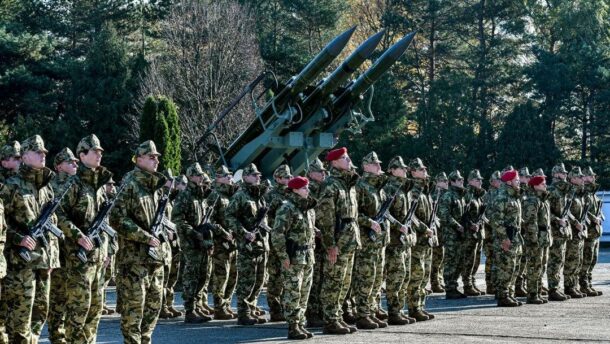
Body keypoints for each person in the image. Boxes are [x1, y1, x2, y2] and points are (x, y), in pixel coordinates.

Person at [2, 135, 61, 343]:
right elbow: (2, 225)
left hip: (43, 263)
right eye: (38, 152)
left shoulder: (46, 187)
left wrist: (53, 258)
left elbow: (51, 225)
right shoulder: (12, 186)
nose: (43, 155)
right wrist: (18, 238)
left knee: (40, 313)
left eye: (44, 152)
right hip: (21, 265)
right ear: (25, 156)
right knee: (20, 319)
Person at [110, 140, 167, 344]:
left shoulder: (156, 187)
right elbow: (116, 218)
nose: (156, 160)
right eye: (151, 157)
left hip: (155, 259)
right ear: (139, 158)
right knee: (134, 311)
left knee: (153, 308)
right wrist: (144, 236)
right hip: (134, 260)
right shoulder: (130, 183)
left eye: (157, 157)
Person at [316, 147, 360, 335]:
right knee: (333, 281)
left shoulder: (347, 185)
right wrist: (330, 244)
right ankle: (330, 319)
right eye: (344, 158)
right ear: (334, 162)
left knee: (344, 281)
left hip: (349, 239)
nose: (349, 160)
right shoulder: (331, 185)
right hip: (338, 240)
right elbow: (325, 219)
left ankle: (338, 316)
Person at [271, 176, 317, 339]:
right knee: (292, 292)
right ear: (295, 190)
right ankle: (292, 325)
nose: (308, 190)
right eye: (304, 188)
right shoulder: (287, 208)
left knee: (304, 292)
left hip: (307, 256)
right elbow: (277, 234)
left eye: (307, 187)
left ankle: (300, 323)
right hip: (293, 256)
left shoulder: (308, 208)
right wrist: (283, 256)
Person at [225, 163, 270, 326]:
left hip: (261, 244)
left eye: (258, 174)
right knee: (247, 280)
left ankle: (252, 308)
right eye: (253, 174)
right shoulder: (240, 195)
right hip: (247, 246)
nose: (258, 177)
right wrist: (243, 232)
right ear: (245, 177)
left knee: (259, 280)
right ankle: (243, 313)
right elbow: (229, 216)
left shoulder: (259, 196)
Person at [173, 162, 214, 323]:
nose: (200, 177)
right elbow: (178, 219)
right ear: (190, 177)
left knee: (203, 275)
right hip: (190, 242)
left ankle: (197, 306)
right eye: (197, 175)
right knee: (192, 275)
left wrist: (208, 240)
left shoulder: (201, 196)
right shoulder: (185, 195)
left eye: (201, 175)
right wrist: (192, 232)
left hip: (202, 241)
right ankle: (190, 309)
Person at [352, 152, 389, 330]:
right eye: (375, 164)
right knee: (365, 278)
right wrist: (369, 222)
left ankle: (372, 311)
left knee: (377, 279)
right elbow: (353, 213)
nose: (379, 167)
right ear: (366, 166)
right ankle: (362, 314)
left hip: (379, 242)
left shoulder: (378, 187)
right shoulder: (360, 186)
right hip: (367, 241)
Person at [47, 147, 78, 344]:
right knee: (58, 296)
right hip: (60, 250)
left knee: (72, 296)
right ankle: (57, 336)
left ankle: (67, 333)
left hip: (76, 251)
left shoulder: (79, 184)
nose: (75, 164)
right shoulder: (52, 186)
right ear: (59, 166)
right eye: (70, 162)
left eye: (75, 161)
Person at [405, 158, 435, 321]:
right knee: (417, 275)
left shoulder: (425, 190)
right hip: (418, 239)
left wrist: (433, 226)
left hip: (427, 239)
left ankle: (421, 306)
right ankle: (414, 307)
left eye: (424, 169)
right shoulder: (414, 189)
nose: (424, 171)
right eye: (420, 169)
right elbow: (412, 215)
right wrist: (425, 229)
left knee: (424, 275)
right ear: (413, 172)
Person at [488, 168, 523, 307]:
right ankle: (503, 296)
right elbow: (496, 221)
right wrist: (504, 239)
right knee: (505, 268)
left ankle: (509, 293)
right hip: (505, 239)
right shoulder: (501, 197)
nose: (519, 182)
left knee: (513, 268)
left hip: (514, 237)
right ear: (509, 181)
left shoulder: (513, 196)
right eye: (516, 180)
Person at [209, 165, 239, 320]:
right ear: (218, 178)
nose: (230, 177)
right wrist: (223, 232)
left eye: (230, 175)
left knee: (233, 275)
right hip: (220, 242)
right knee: (222, 276)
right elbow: (209, 220)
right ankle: (219, 307)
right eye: (226, 175)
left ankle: (226, 304)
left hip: (232, 242)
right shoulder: (215, 195)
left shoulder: (231, 195)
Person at [265, 164, 292, 322]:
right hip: (276, 239)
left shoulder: (291, 194)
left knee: (287, 275)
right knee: (275, 276)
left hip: (290, 240)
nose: (289, 179)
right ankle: (275, 309)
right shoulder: (271, 196)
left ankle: (285, 306)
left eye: (290, 177)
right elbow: (266, 218)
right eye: (286, 177)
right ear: (277, 179)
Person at [522, 169, 551, 304]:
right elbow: (530, 222)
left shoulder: (543, 200)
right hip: (536, 238)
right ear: (535, 186)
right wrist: (533, 239)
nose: (545, 185)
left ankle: (538, 292)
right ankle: (532, 294)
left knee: (541, 266)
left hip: (543, 237)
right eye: (543, 183)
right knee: (534, 266)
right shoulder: (532, 201)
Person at [438, 170, 466, 299]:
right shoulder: (448, 196)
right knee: (451, 261)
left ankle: (454, 286)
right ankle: (449, 288)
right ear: (452, 182)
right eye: (459, 180)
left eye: (462, 179)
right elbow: (444, 215)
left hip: (460, 234)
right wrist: (457, 225)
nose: (462, 181)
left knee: (459, 261)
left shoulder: (460, 196)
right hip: (450, 234)